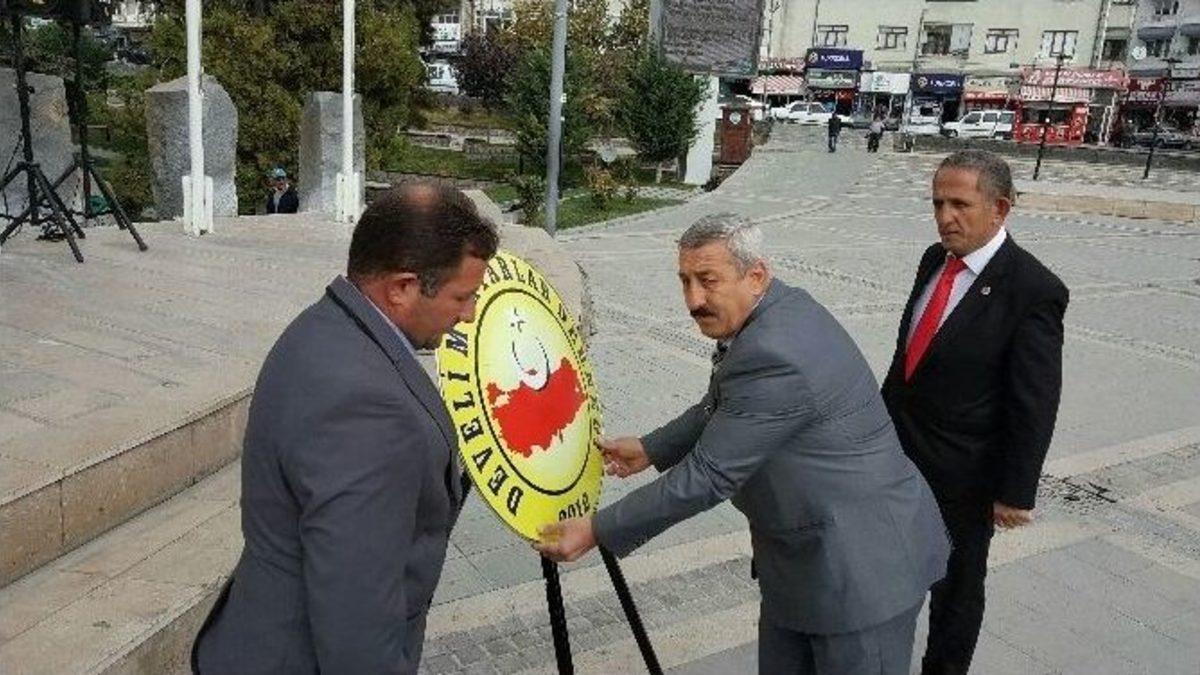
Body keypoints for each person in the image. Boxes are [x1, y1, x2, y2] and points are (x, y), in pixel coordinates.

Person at [536, 214, 950, 674]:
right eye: (685, 281)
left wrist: (597, 529)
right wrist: (653, 448)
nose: (693, 300)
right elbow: (723, 404)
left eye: (708, 281)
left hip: (861, 576)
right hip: (804, 564)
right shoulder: (774, 311)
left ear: (756, 276)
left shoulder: (776, 352)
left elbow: (710, 475)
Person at [192, 184, 499, 674]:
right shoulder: (371, 411)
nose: (469, 314)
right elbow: (357, 626)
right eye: (461, 297)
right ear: (402, 287)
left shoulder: (325, 327)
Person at [881, 150, 1068, 675]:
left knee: (955, 595)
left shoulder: (1033, 289)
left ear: (1000, 208)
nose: (945, 217)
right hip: (897, 460)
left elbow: (1034, 400)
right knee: (886, 575)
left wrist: (1015, 491)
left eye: (959, 204)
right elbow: (907, 363)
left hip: (964, 479)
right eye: (938, 203)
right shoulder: (932, 260)